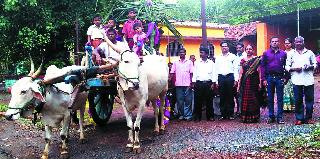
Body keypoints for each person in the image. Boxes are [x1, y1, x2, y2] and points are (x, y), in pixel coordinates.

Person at [285, 36, 317, 125]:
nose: (298, 43)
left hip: (308, 80)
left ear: (303, 42)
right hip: (296, 80)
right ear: (294, 43)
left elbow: (315, 64)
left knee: (309, 99)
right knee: (298, 99)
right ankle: (299, 118)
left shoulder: (309, 53)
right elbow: (286, 66)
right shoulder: (291, 54)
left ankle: (309, 118)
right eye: (297, 42)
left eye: (300, 42)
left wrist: (310, 66)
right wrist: (294, 69)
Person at [260, 36, 287, 124]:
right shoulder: (266, 53)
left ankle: (280, 117)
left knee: (280, 98)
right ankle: (271, 116)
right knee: (270, 98)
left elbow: (286, 66)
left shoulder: (283, 53)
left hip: (279, 78)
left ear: (279, 42)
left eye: (276, 41)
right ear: (270, 43)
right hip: (269, 78)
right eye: (273, 41)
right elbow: (262, 67)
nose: (275, 42)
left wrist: (285, 77)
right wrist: (263, 79)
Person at [192, 47, 217, 122]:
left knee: (209, 101)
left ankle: (210, 116)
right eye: (200, 52)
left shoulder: (211, 63)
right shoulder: (197, 63)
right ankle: (197, 116)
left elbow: (214, 73)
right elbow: (195, 73)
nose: (200, 54)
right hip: (199, 83)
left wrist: (213, 83)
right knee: (197, 101)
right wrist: (193, 83)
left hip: (208, 84)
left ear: (206, 54)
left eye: (202, 52)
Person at [215, 41, 239, 120]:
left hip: (230, 77)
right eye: (223, 46)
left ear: (228, 47)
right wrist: (216, 81)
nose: (224, 48)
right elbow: (216, 70)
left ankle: (230, 114)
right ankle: (223, 114)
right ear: (221, 48)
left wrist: (236, 80)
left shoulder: (233, 57)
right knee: (222, 96)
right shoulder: (218, 57)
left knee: (230, 96)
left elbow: (236, 69)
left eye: (226, 46)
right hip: (221, 78)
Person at [237, 45, 261, 123]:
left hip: (254, 81)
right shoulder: (243, 60)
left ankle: (254, 117)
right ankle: (245, 117)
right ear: (245, 51)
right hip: (245, 81)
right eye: (247, 49)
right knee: (245, 98)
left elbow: (259, 72)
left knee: (254, 99)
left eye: (250, 49)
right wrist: (239, 84)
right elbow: (241, 73)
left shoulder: (256, 60)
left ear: (253, 50)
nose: (248, 50)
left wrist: (260, 83)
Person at [170, 48, 193, 121]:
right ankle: (181, 115)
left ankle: (188, 115)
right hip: (178, 84)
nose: (181, 54)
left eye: (183, 52)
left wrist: (191, 83)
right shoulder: (175, 62)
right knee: (180, 101)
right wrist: (169, 80)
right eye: (180, 52)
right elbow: (172, 73)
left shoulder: (189, 62)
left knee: (188, 100)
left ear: (185, 53)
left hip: (187, 84)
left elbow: (191, 73)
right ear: (179, 53)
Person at [234, 42, 247, 116]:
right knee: (238, 95)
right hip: (237, 79)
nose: (238, 49)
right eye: (237, 48)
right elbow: (235, 69)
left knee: (245, 95)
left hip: (246, 78)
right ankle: (239, 110)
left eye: (240, 48)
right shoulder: (235, 57)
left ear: (243, 48)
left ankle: (244, 110)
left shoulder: (245, 56)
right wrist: (236, 80)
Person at [283, 38, 295, 112]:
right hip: (285, 74)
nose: (287, 44)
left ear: (291, 44)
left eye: (288, 43)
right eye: (285, 43)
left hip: (293, 74)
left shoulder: (294, 52)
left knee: (292, 91)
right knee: (285, 91)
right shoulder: (283, 53)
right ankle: (286, 107)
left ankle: (294, 107)